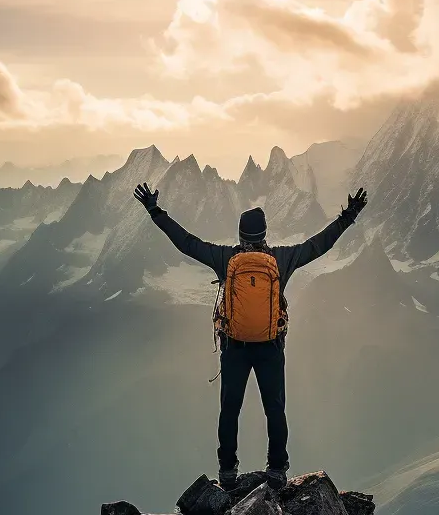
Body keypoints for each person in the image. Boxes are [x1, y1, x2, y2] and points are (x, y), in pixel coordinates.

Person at [133, 181, 368, 491]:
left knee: (230, 409)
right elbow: (317, 245)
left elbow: (187, 243)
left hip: (235, 348)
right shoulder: (281, 259)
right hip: (270, 347)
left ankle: (227, 472)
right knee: (275, 408)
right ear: (264, 235)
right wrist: (348, 216)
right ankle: (277, 469)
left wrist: (154, 210)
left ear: (241, 235)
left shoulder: (226, 259)